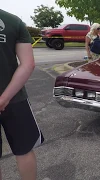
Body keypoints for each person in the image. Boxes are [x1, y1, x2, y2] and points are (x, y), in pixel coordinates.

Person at [0, 9, 44, 179]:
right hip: (15, 97)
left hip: (14, 99)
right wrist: (4, 98)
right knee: (24, 150)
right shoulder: (13, 21)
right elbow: (27, 64)